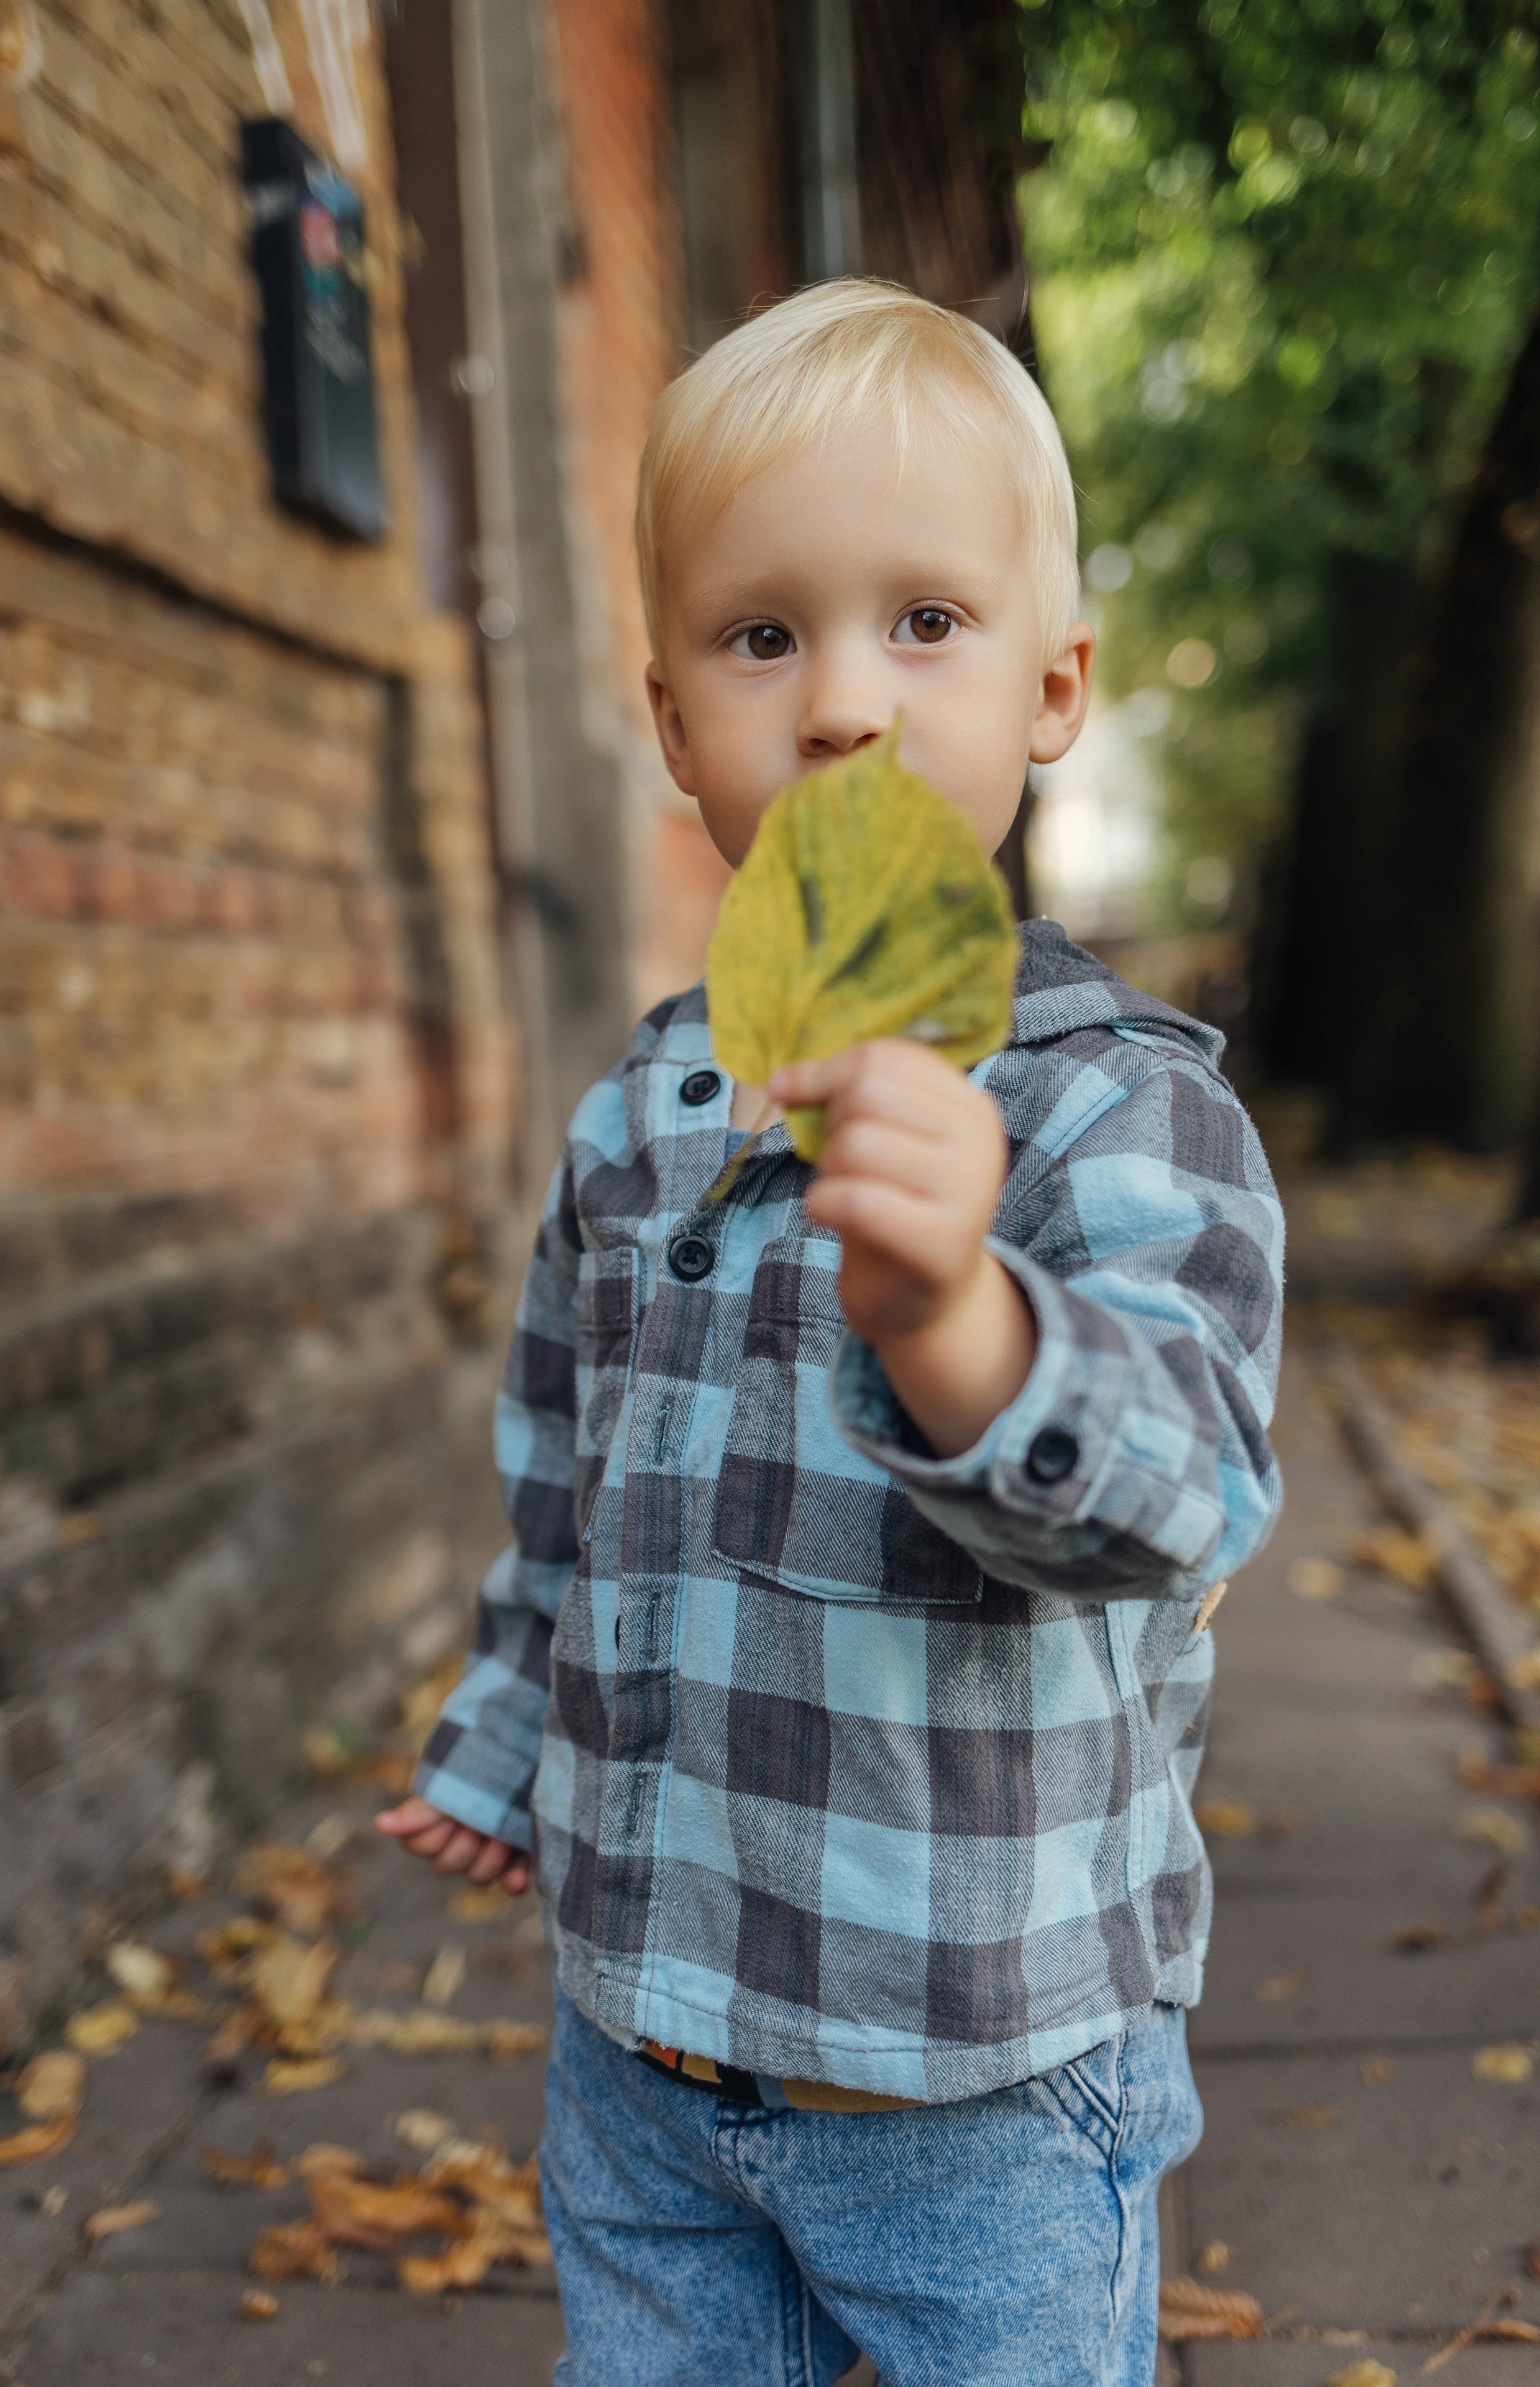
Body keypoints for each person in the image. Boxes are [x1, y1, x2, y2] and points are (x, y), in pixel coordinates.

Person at [377, 278, 1283, 2386]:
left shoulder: (1115, 1106)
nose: (846, 705)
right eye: (763, 636)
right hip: (646, 2034)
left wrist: (962, 1314)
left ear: (1057, 689)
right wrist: (512, 1738)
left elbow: (1186, 1491)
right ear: (677, 721)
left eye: (927, 626)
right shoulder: (637, 1110)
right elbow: (567, 1479)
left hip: (970, 2063)